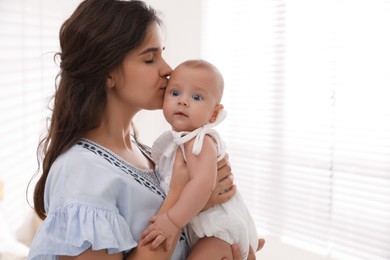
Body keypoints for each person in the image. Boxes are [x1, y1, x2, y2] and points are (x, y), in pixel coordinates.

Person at [27, 0, 263, 259]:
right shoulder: (80, 172)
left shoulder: (148, 152)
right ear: (108, 74)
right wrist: (183, 201)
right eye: (150, 59)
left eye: (162, 54)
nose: (168, 69)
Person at [139, 60, 259, 260]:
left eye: (196, 97)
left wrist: (172, 220)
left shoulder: (200, 141)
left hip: (218, 232)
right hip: (202, 230)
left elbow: (203, 184)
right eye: (175, 93)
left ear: (213, 114)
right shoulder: (177, 142)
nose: (183, 101)